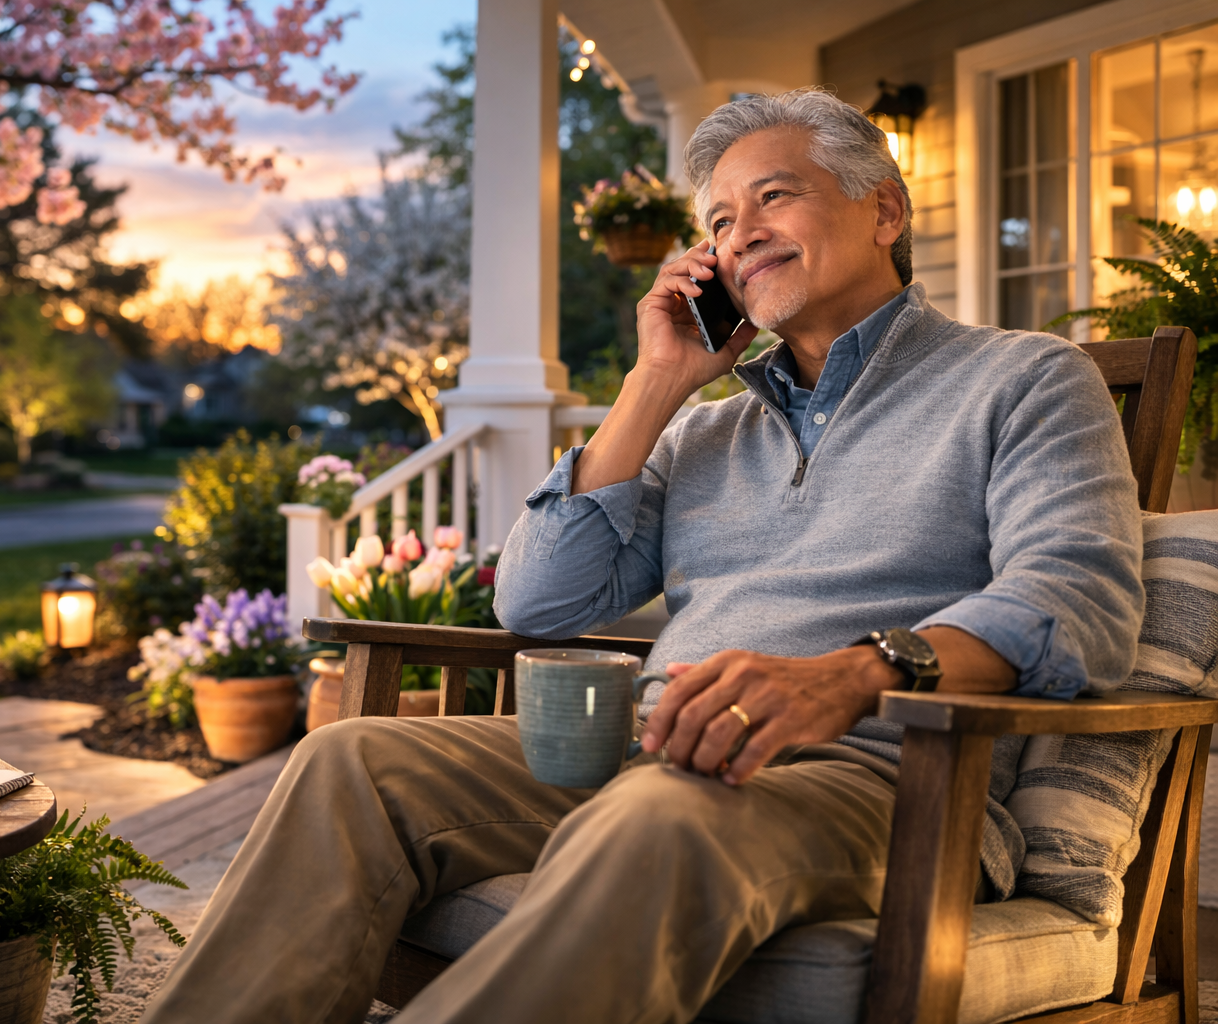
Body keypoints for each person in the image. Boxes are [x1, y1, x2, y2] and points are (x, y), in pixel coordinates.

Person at [140, 88, 1143, 1024]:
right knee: (350, 758)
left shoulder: (1023, 380)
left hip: (883, 781)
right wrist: (656, 383)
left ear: (885, 212)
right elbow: (534, 603)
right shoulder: (703, 435)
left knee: (668, 807)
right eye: (716, 221)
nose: (738, 234)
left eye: (773, 197)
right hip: (652, 748)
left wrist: (855, 673)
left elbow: (1079, 603)